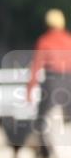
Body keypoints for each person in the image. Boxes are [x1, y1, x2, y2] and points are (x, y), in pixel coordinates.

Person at [27, 9, 71, 142]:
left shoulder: (45, 41)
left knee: (42, 118)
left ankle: (44, 150)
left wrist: (30, 88)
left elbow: (36, 66)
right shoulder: (69, 39)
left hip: (53, 83)